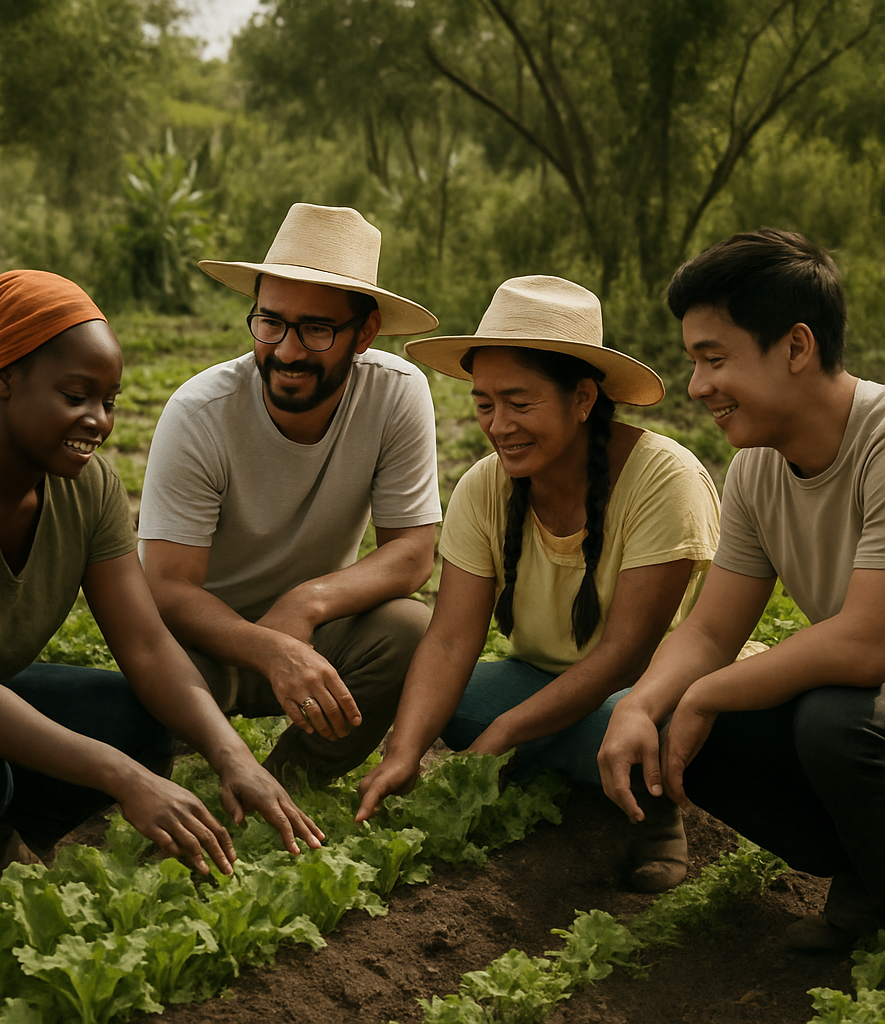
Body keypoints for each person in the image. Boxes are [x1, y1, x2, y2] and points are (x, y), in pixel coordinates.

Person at [0, 270, 323, 922]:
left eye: (109, 400)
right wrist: (124, 778)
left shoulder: (87, 485)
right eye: (76, 396)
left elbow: (146, 643)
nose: (98, 421)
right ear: (2, 378)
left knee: (136, 716)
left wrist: (234, 757)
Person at [356, 276, 721, 892]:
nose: (499, 426)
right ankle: (572, 763)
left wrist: (508, 731)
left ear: (583, 398)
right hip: (545, 683)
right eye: (484, 404)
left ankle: (655, 816)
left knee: (636, 730)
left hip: (651, 698)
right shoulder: (485, 487)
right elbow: (447, 641)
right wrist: (403, 752)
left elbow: (625, 654)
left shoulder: (663, 479)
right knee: (457, 699)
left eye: (520, 404)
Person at [597, 228, 885, 949]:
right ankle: (866, 880)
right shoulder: (760, 465)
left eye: (714, 359)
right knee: (667, 722)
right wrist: (640, 705)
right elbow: (710, 632)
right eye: (694, 361)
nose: (697, 388)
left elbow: (866, 642)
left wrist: (707, 692)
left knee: (832, 722)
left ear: (796, 347)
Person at [138, 203, 442, 785]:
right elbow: (167, 587)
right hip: (204, 645)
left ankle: (290, 781)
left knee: (408, 630)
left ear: (366, 333)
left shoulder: (397, 395)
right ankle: (182, 750)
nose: (287, 350)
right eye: (270, 321)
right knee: (133, 690)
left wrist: (306, 604)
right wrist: (266, 649)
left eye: (317, 329)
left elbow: (413, 553)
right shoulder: (200, 413)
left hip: (318, 636)